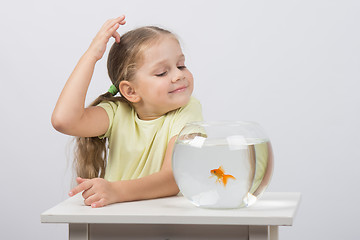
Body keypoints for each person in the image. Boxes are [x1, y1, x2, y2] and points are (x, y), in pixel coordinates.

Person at [51, 16, 203, 208]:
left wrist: (115, 191)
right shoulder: (116, 114)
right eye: (162, 72)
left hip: (166, 222)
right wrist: (91, 56)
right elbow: (64, 120)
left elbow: (173, 178)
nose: (179, 75)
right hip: (117, 220)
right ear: (130, 91)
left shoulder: (187, 110)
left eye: (181, 65)